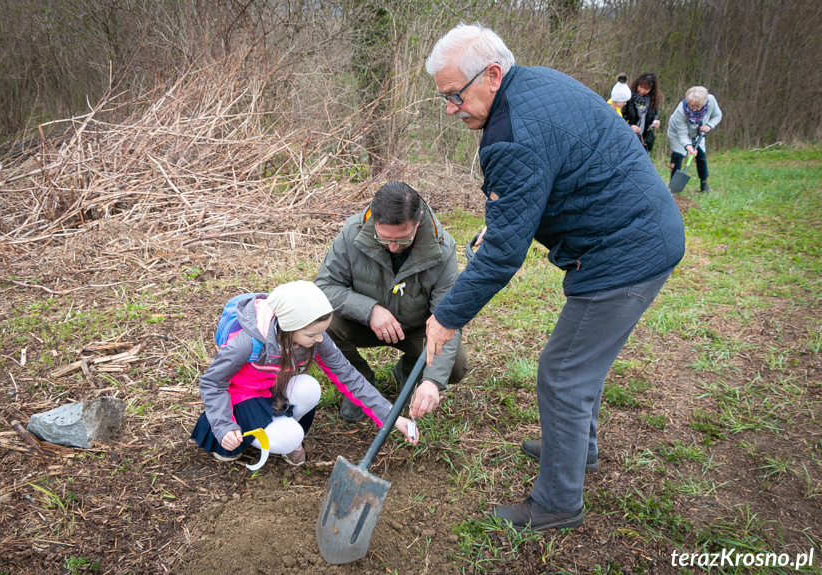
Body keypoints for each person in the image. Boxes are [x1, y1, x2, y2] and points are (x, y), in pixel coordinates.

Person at [424, 24, 685, 531]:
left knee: (563, 372)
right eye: (445, 99)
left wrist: (447, 316)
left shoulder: (510, 137)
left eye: (455, 95)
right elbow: (541, 181)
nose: (452, 109)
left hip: (626, 252)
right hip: (643, 230)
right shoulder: (537, 84)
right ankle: (575, 447)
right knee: (578, 367)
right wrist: (502, 218)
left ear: (492, 75)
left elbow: (502, 257)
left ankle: (557, 503)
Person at [190, 280, 418, 466]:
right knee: (289, 437)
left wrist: (391, 415)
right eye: (312, 335)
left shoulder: (313, 336)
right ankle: (249, 435)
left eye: (322, 332)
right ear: (289, 327)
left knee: (310, 388)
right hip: (243, 396)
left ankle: (277, 432)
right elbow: (212, 383)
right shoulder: (246, 343)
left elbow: (348, 376)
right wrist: (223, 426)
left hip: (272, 389)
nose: (319, 340)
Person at [315, 181, 469, 423]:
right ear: (374, 221)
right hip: (363, 323)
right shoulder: (352, 232)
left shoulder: (443, 249)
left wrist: (432, 381)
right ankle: (361, 382)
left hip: (416, 329)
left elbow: (447, 315)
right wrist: (369, 310)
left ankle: (408, 371)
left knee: (455, 365)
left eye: (403, 239)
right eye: (384, 238)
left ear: (417, 221)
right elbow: (324, 287)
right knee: (321, 323)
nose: (394, 247)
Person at [667, 85, 723, 193]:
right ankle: (673, 189)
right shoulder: (681, 111)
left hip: (698, 133)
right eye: (691, 106)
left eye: (697, 106)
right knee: (678, 156)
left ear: (703, 102)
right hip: (677, 134)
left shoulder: (711, 101)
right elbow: (682, 134)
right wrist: (688, 147)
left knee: (701, 155)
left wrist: (709, 126)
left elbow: (717, 115)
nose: (693, 108)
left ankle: (704, 184)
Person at [623, 72, 663, 153]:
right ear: (637, 84)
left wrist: (655, 122)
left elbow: (654, 116)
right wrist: (629, 126)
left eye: (646, 89)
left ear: (651, 90)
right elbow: (620, 117)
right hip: (627, 137)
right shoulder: (628, 98)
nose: (642, 90)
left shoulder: (653, 102)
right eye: (641, 87)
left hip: (643, 139)